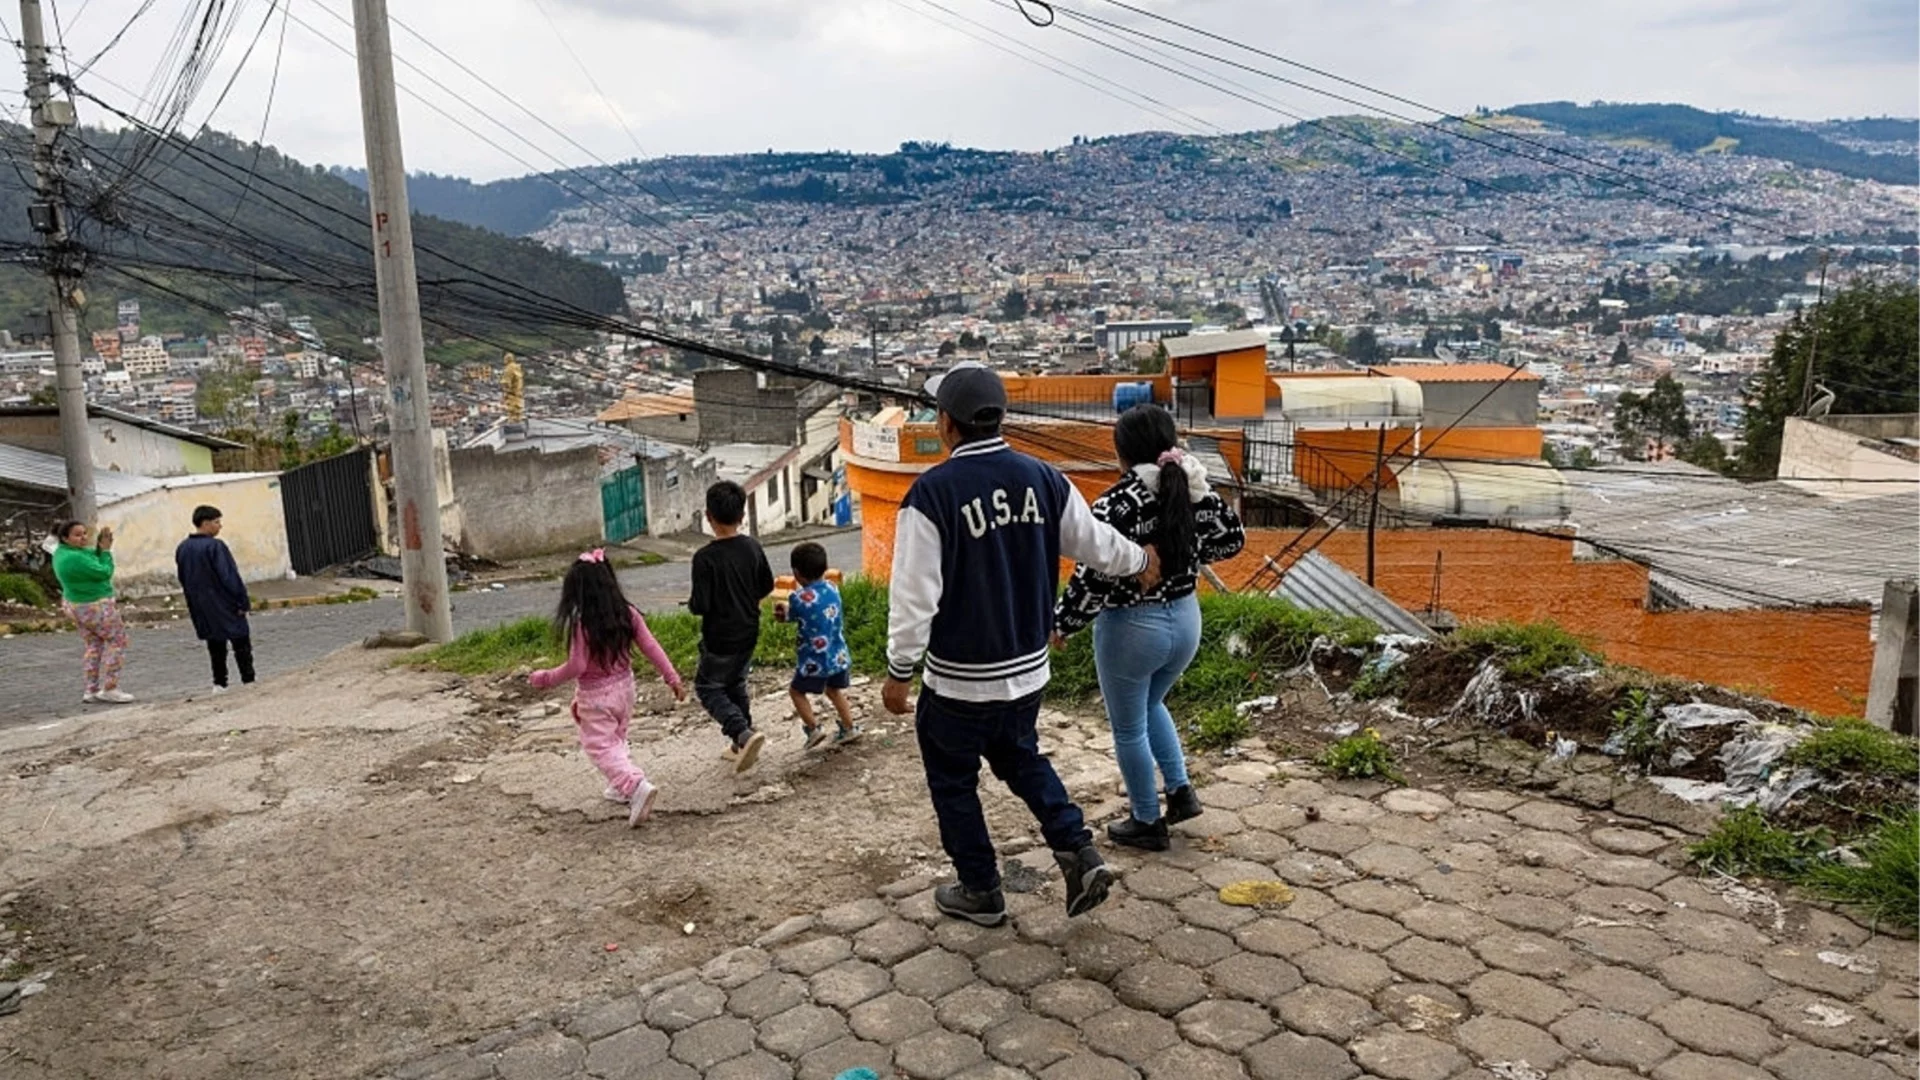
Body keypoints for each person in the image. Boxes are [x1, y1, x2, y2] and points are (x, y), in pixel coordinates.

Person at [884, 362, 1163, 926]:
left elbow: (914, 598)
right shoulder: (1044, 478)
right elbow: (1095, 544)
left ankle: (981, 888)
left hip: (958, 682)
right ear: (1000, 417)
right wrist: (1140, 560)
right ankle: (1078, 851)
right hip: (1026, 674)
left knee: (953, 782)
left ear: (946, 423)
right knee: (1024, 760)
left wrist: (899, 671)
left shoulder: (930, 495)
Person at [1054, 403, 1248, 851]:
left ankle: (1146, 820)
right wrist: (1187, 554)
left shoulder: (1116, 503)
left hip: (1132, 627)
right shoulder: (1195, 490)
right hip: (1186, 619)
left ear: (1122, 453)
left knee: (1128, 728)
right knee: (1151, 703)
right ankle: (1180, 791)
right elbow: (1233, 538)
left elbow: (1093, 576)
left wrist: (1064, 624)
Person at [529, 549, 686, 827]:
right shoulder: (628, 614)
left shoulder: (582, 624)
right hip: (625, 688)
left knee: (599, 746)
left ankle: (634, 784)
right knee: (616, 738)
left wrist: (546, 677)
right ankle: (619, 785)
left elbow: (577, 666)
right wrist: (672, 677)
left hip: (596, 695)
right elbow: (651, 647)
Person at [689, 480, 774, 772]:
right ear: (742, 516)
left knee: (708, 687)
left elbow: (700, 605)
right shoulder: (752, 546)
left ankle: (742, 733)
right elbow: (766, 585)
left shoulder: (704, 558)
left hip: (719, 637)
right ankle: (743, 743)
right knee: (736, 682)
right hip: (749, 629)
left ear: (708, 516)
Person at [777, 541, 861, 750]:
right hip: (837, 655)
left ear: (796, 573)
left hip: (814, 661)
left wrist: (782, 610)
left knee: (796, 692)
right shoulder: (833, 588)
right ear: (825, 567)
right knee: (834, 690)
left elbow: (791, 614)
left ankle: (813, 729)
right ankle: (849, 728)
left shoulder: (797, 598)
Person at [50, 520, 134, 704]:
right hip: (94, 605)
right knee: (117, 641)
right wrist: (105, 552)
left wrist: (101, 546)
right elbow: (104, 571)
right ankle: (111, 687)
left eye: (84, 533)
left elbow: (90, 553)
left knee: (94, 645)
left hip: (76, 605)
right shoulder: (74, 558)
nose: (83, 538)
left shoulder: (63, 552)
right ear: (65, 538)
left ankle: (91, 689)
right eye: (77, 535)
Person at [175, 505, 255, 694]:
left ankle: (219, 683)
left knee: (215, 645)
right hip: (225, 603)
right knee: (241, 642)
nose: (220, 526)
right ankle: (248, 680)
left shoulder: (183, 548)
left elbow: (183, 578)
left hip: (201, 606)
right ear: (205, 523)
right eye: (217, 522)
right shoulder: (215, 546)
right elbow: (229, 576)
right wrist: (242, 601)